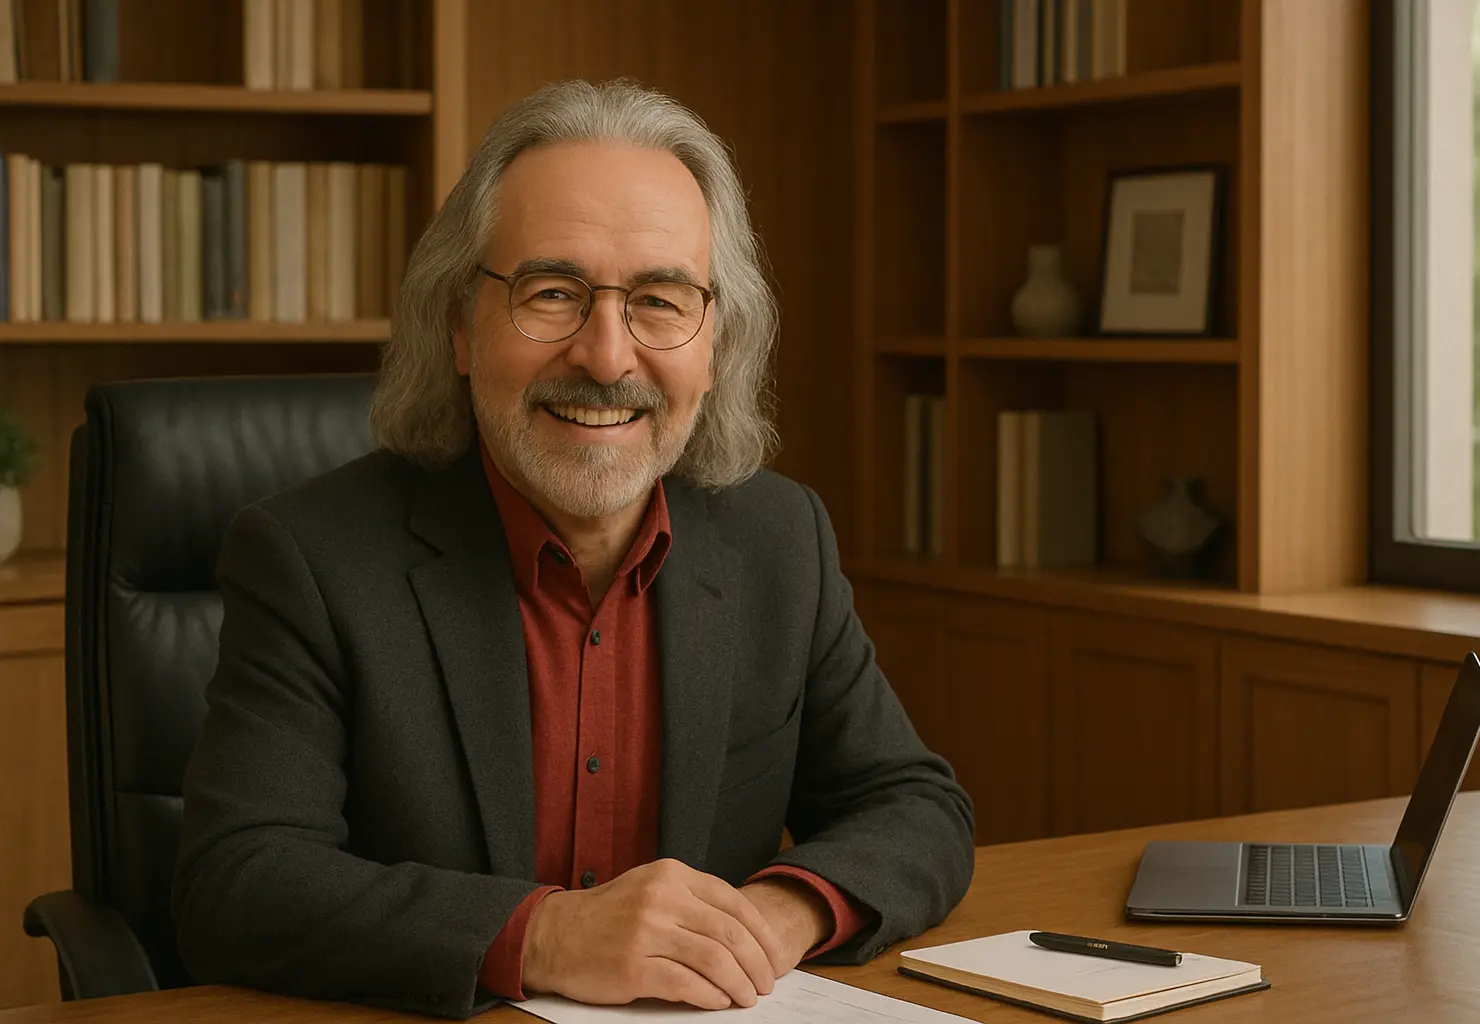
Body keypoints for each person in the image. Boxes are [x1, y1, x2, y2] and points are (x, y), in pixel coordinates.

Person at [170, 78, 974, 1020]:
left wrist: (773, 916)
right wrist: (545, 936)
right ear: (460, 325)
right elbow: (239, 879)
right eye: (551, 293)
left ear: (715, 345)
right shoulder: (310, 557)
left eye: (660, 301)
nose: (607, 356)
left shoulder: (779, 540)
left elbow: (915, 804)